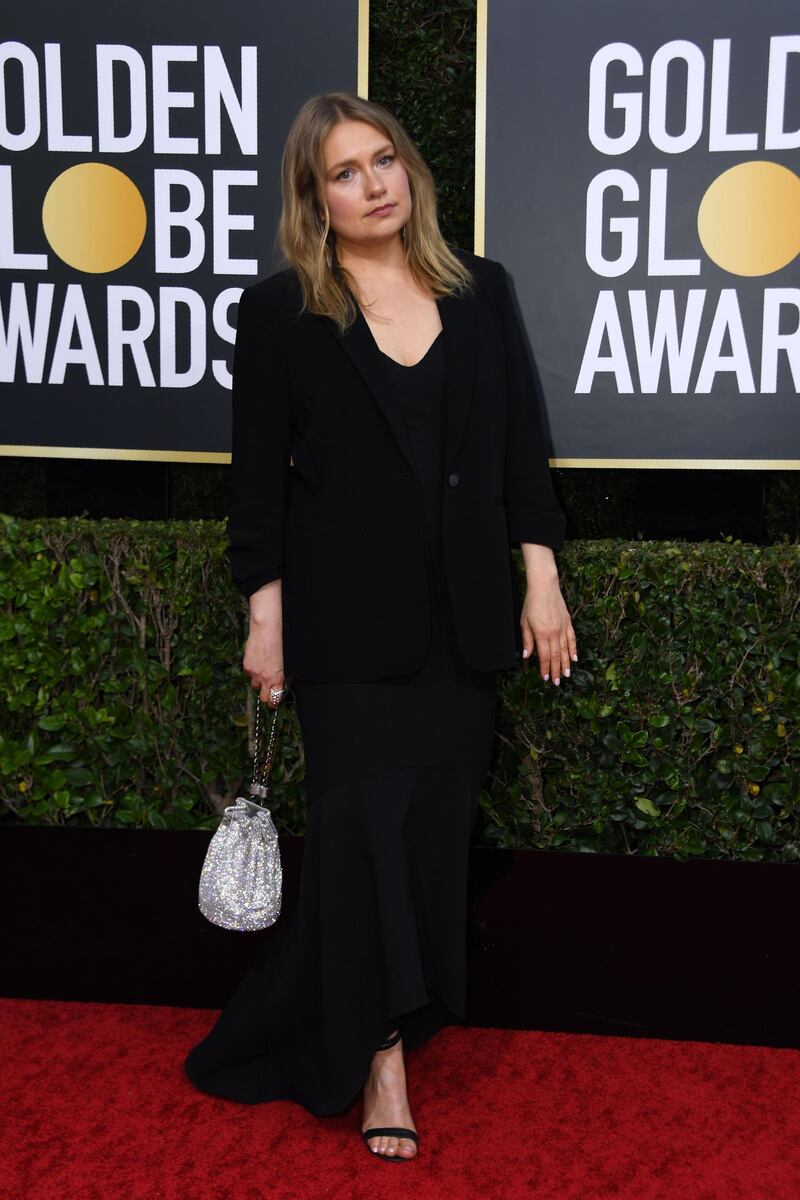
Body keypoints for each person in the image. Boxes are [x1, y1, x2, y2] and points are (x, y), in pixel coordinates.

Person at [184, 90, 577, 1162]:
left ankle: (360, 1006)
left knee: (426, 837)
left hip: (463, 621)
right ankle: (381, 1059)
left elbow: (518, 454)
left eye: (384, 160)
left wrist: (538, 581)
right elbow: (255, 487)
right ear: (313, 200)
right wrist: (264, 619)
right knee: (360, 835)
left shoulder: (480, 291)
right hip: (341, 628)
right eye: (345, 173)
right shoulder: (277, 315)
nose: (374, 185)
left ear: (410, 168)